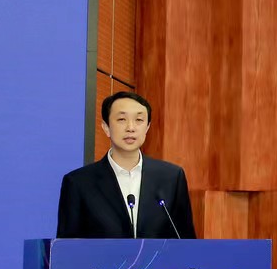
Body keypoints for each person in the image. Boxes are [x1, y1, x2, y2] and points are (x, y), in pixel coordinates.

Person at [56, 91, 197, 239]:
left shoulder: (171, 177)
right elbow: (66, 247)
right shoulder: (79, 182)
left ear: (147, 127)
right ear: (106, 127)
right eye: (122, 119)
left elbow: (185, 242)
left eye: (139, 120)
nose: (131, 128)